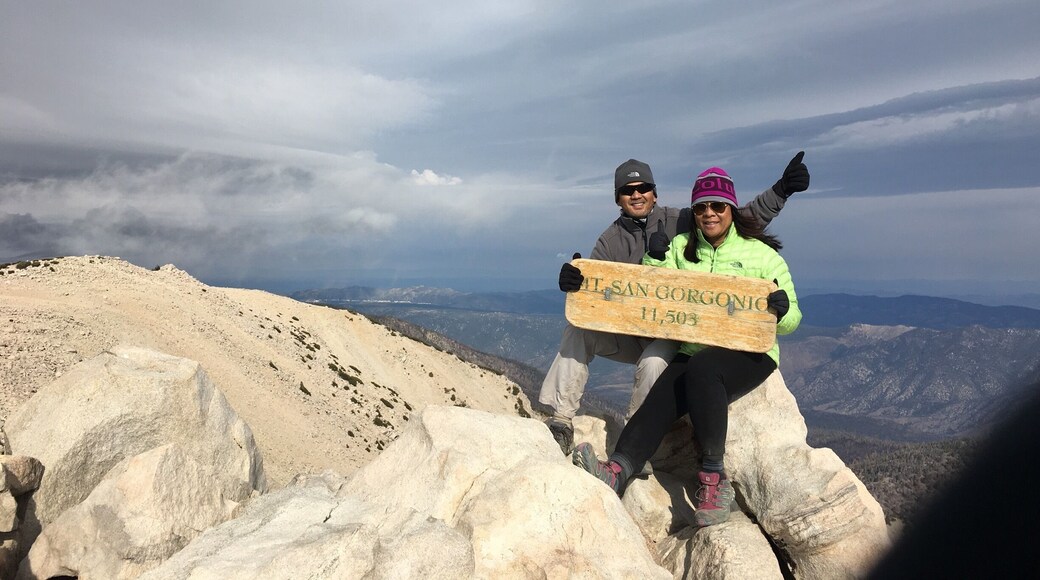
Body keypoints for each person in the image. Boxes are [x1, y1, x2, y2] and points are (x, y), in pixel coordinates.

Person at [572, 166, 801, 527]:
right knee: (663, 393)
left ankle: (713, 480)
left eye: (717, 206)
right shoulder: (682, 247)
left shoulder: (761, 256)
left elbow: (790, 322)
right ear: (693, 213)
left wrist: (780, 310)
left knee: (702, 369)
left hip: (750, 352)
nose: (709, 213)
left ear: (731, 209)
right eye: (701, 208)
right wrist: (654, 258)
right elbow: (653, 287)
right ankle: (618, 470)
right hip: (694, 348)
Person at [541, 153, 809, 455]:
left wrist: (782, 190)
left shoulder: (682, 219)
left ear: (655, 193)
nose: (636, 194)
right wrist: (576, 281)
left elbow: (737, 216)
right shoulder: (610, 241)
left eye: (643, 188)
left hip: (670, 334)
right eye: (628, 191)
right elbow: (596, 290)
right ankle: (560, 420)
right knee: (577, 332)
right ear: (618, 199)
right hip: (629, 329)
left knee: (654, 363)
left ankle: (636, 445)